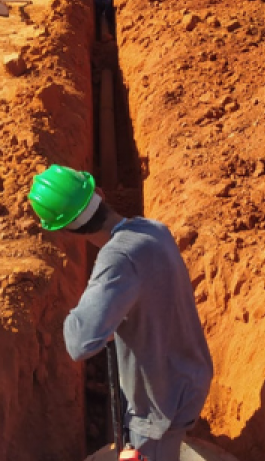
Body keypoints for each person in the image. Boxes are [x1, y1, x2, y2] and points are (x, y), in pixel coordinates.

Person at [28, 164, 213, 461]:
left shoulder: (117, 259)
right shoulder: (154, 229)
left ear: (64, 231)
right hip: (186, 374)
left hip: (160, 406)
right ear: (99, 194)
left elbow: (80, 342)